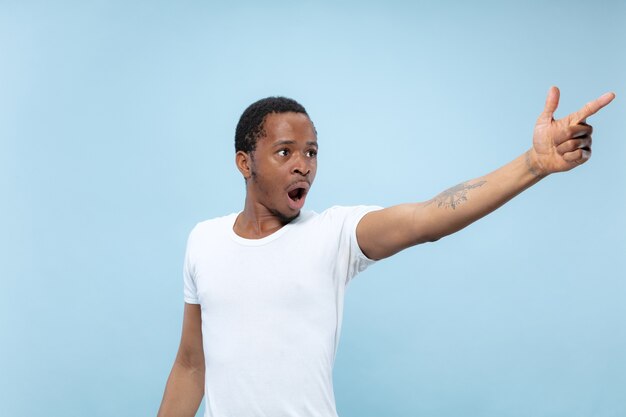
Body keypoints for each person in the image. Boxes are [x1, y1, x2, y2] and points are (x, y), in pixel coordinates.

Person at [157, 87, 615, 417]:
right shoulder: (204, 240)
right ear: (245, 162)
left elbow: (427, 218)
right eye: (284, 152)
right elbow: (192, 363)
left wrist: (533, 164)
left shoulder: (333, 235)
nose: (303, 164)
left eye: (312, 152)